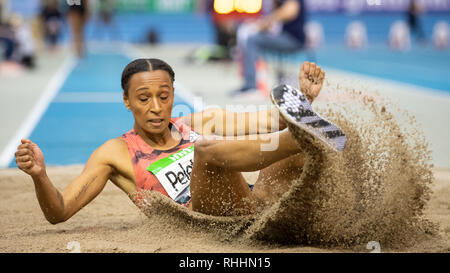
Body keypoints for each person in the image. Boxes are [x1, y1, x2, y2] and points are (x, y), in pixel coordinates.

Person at [14, 59, 326, 222]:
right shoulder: (114, 153)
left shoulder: (197, 122)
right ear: (126, 101)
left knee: (301, 158)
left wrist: (304, 102)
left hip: (250, 202)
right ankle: (299, 139)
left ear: (173, 96)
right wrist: (40, 175)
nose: (156, 107)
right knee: (206, 148)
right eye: (144, 98)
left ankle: (302, 141)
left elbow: (270, 120)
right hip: (207, 219)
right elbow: (60, 211)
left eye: (164, 97)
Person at [234, 0, 306, 94]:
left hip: (293, 40)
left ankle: (251, 87)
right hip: (281, 37)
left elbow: (290, 11)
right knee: (251, 37)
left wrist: (267, 20)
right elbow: (273, 26)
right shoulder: (275, 4)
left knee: (253, 40)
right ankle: (254, 82)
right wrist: (258, 25)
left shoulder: (290, 4)